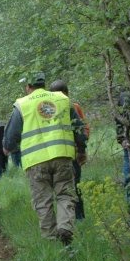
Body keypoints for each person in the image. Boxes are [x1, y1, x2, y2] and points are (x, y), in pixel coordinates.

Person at [3, 72, 87, 245]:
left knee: (43, 200)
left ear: (27, 86)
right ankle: (66, 228)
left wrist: (6, 148)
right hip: (62, 156)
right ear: (43, 84)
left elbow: (11, 135)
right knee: (65, 194)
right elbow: (79, 127)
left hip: (36, 161)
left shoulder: (22, 105)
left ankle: (50, 240)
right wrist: (82, 150)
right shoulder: (63, 99)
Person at [49, 79, 89, 220]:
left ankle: (69, 218)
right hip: (71, 152)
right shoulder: (73, 106)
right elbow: (84, 129)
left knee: (61, 188)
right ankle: (78, 217)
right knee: (74, 185)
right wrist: (81, 149)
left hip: (56, 153)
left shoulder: (47, 109)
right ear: (67, 92)